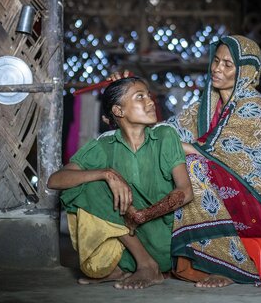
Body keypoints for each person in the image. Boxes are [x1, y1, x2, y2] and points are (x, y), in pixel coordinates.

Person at [113, 35, 261, 287]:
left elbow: (226, 157)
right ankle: (156, 261)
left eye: (228, 64)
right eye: (216, 61)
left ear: (246, 71)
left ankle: (228, 266)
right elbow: (167, 133)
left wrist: (183, 148)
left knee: (191, 168)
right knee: (161, 165)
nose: (217, 68)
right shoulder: (205, 107)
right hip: (228, 194)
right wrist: (123, 102)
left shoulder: (253, 106)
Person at [47, 77, 193, 290]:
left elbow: (186, 191)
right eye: (140, 97)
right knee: (83, 185)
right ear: (118, 111)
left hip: (165, 241)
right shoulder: (104, 145)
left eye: (149, 96)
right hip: (124, 251)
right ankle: (133, 266)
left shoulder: (164, 136)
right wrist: (107, 174)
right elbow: (55, 180)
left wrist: (142, 216)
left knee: (93, 182)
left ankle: (149, 265)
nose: (151, 102)